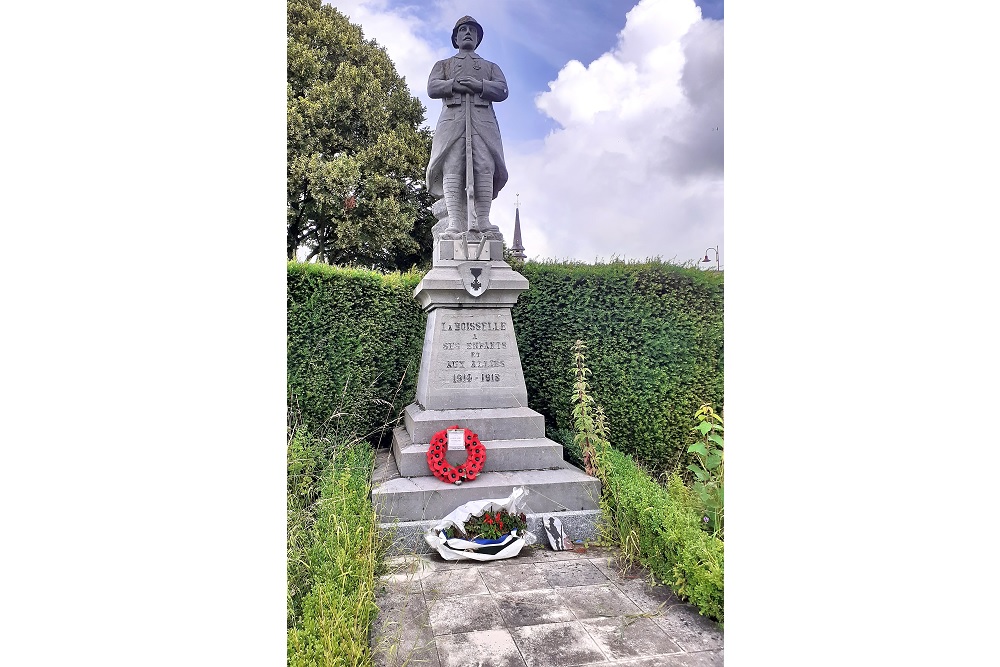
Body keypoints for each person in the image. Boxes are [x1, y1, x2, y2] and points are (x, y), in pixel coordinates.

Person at [426, 16, 508, 240]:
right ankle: (454, 221)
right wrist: (453, 84)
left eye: (473, 30)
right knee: (452, 167)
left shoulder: (490, 67)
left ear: (479, 38)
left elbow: (502, 90)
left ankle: (482, 220)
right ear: (456, 37)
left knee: (485, 166)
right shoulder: (444, 65)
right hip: (453, 122)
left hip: (483, 123)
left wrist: (479, 85)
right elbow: (432, 87)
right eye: (463, 30)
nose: (468, 33)